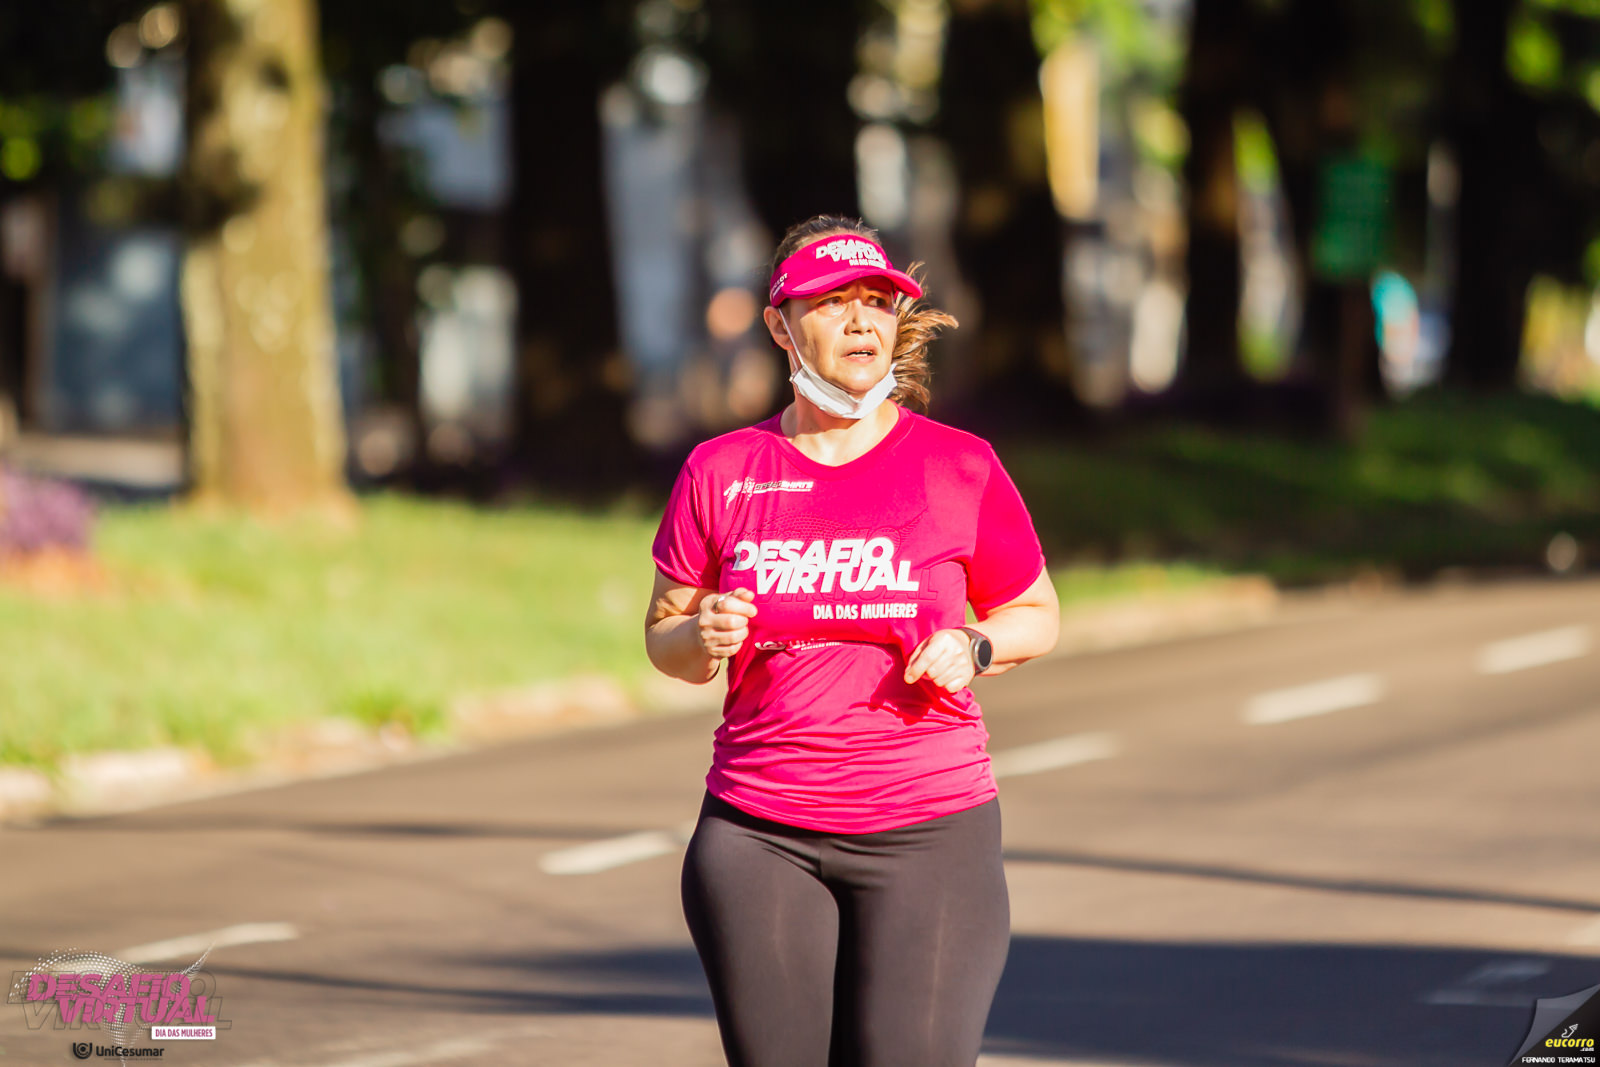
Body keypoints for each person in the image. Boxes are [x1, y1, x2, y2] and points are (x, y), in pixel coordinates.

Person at [645, 215, 1060, 1067]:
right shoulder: (723, 470)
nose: (862, 321)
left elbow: (1037, 611)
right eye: (832, 304)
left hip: (930, 829)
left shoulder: (958, 465)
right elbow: (666, 638)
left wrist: (976, 645)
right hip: (760, 831)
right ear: (779, 325)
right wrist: (703, 631)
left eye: (876, 301)